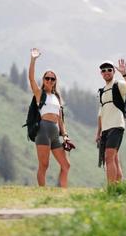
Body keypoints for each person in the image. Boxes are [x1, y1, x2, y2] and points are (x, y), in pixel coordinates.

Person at [29, 48, 70, 187]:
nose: (50, 80)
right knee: (44, 165)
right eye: (47, 78)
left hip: (55, 133)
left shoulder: (57, 97)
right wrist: (33, 59)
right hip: (43, 130)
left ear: (55, 81)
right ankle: (42, 192)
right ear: (44, 80)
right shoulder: (40, 94)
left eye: (52, 78)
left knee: (66, 165)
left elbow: (60, 119)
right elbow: (31, 78)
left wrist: (65, 135)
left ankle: (63, 192)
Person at [96, 59, 126, 184]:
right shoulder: (102, 91)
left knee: (108, 158)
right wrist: (99, 132)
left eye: (109, 69)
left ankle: (111, 189)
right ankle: (118, 187)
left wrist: (124, 74)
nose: (106, 72)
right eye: (103, 70)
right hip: (106, 129)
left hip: (117, 126)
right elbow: (101, 114)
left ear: (113, 71)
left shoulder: (118, 84)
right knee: (114, 159)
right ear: (101, 73)